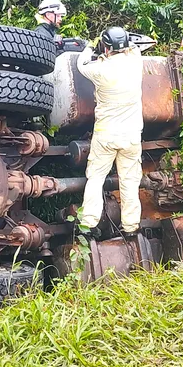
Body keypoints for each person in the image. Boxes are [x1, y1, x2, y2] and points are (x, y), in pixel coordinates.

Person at [76, 26, 144, 238]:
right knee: (129, 181)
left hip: (106, 135)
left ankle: (88, 225)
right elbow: (136, 46)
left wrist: (90, 47)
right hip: (131, 135)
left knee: (96, 178)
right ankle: (131, 227)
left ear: (106, 47)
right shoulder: (136, 62)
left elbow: (81, 64)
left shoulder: (99, 70)